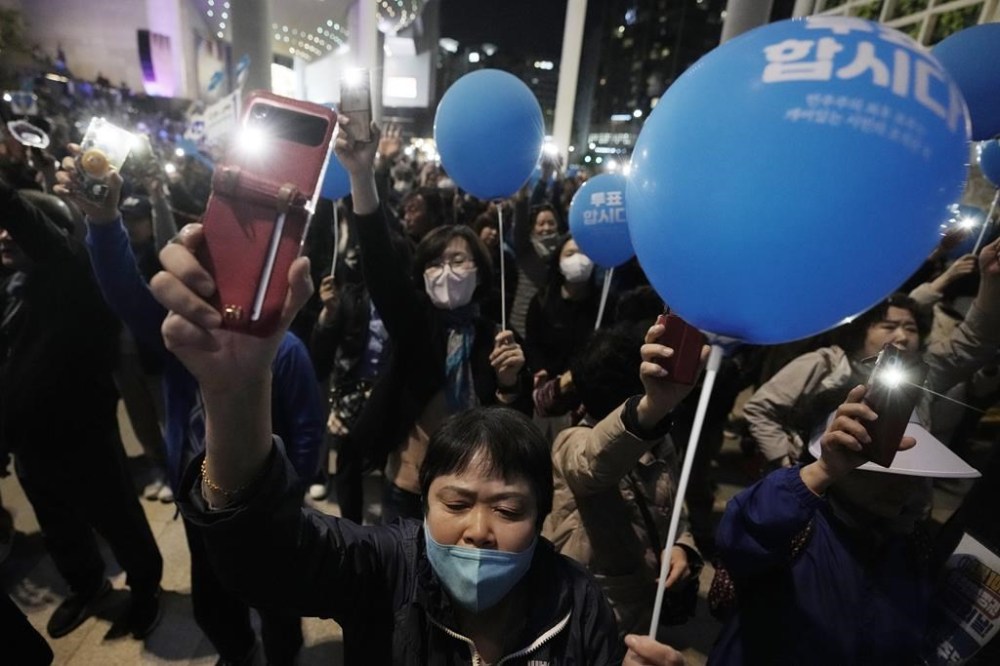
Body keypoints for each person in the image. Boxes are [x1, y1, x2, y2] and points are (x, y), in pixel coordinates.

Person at [147, 219, 624, 665]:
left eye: (507, 509)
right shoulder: (388, 567)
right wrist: (234, 394)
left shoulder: (579, 607)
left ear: (542, 513)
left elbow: (511, 442)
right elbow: (265, 558)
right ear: (426, 507)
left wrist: (509, 387)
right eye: (456, 504)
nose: (479, 530)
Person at [57, 158, 323, 666]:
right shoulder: (192, 333)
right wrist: (104, 222)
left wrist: (294, 495)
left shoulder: (286, 352)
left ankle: (280, 655)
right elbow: (127, 294)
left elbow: (307, 432)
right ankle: (238, 651)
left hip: (266, 511)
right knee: (213, 601)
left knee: (277, 604)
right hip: (200, 500)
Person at [710, 239, 1000, 664]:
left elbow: (971, 342)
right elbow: (744, 530)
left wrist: (990, 283)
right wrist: (808, 472)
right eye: (887, 326)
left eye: (911, 328)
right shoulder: (799, 522)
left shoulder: (911, 548)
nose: (900, 336)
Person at [335, 119, 531, 523]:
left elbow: (514, 426)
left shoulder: (495, 339)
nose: (445, 271)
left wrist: (511, 384)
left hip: (471, 498)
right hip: (408, 489)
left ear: (479, 271)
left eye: (457, 261)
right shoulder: (414, 322)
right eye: (434, 264)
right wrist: (361, 174)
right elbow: (379, 260)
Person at [0, 182, 163, 640]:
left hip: (82, 435)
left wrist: (9, 201)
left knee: (118, 520)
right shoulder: (10, 290)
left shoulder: (74, 278)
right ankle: (87, 585)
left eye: (14, 229)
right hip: (30, 446)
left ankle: (145, 590)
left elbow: (45, 240)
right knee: (58, 527)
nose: (5, 237)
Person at [543, 322, 703, 637]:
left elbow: (672, 507)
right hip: (585, 610)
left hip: (642, 607)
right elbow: (592, 464)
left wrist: (682, 546)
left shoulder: (661, 439)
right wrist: (648, 409)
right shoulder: (572, 440)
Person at [525, 234, 608, 381]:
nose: (578, 258)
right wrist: (539, 370)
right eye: (570, 254)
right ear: (558, 263)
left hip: (589, 385)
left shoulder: (604, 304)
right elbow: (532, 343)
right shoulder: (541, 301)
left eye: (584, 253)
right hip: (548, 385)